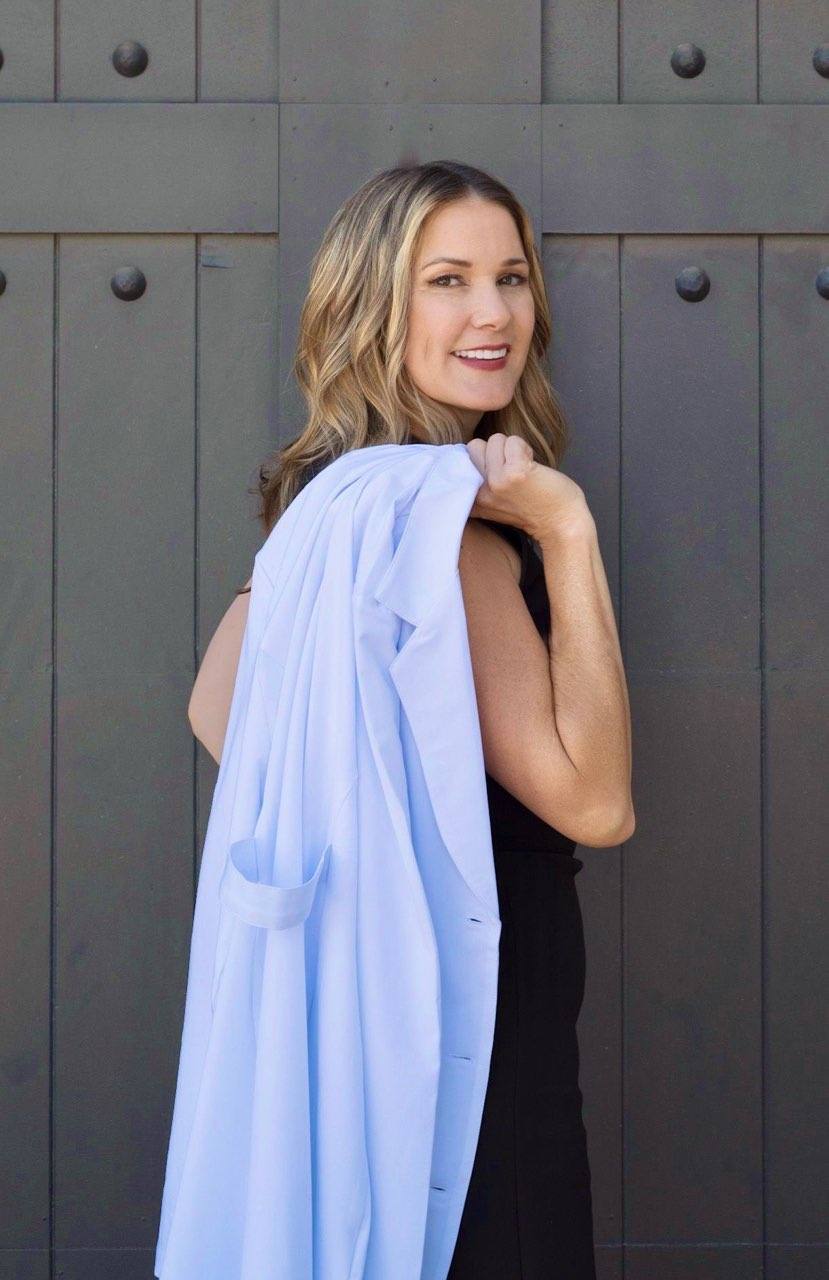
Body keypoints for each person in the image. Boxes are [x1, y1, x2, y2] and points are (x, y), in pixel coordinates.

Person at [187, 159, 634, 1279]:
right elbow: (596, 800)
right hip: (478, 1016)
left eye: (512, 277)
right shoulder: (454, 534)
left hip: (388, 998)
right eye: (447, 279)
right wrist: (567, 532)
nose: (493, 313)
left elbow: (216, 710)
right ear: (370, 311)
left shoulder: (336, 503)